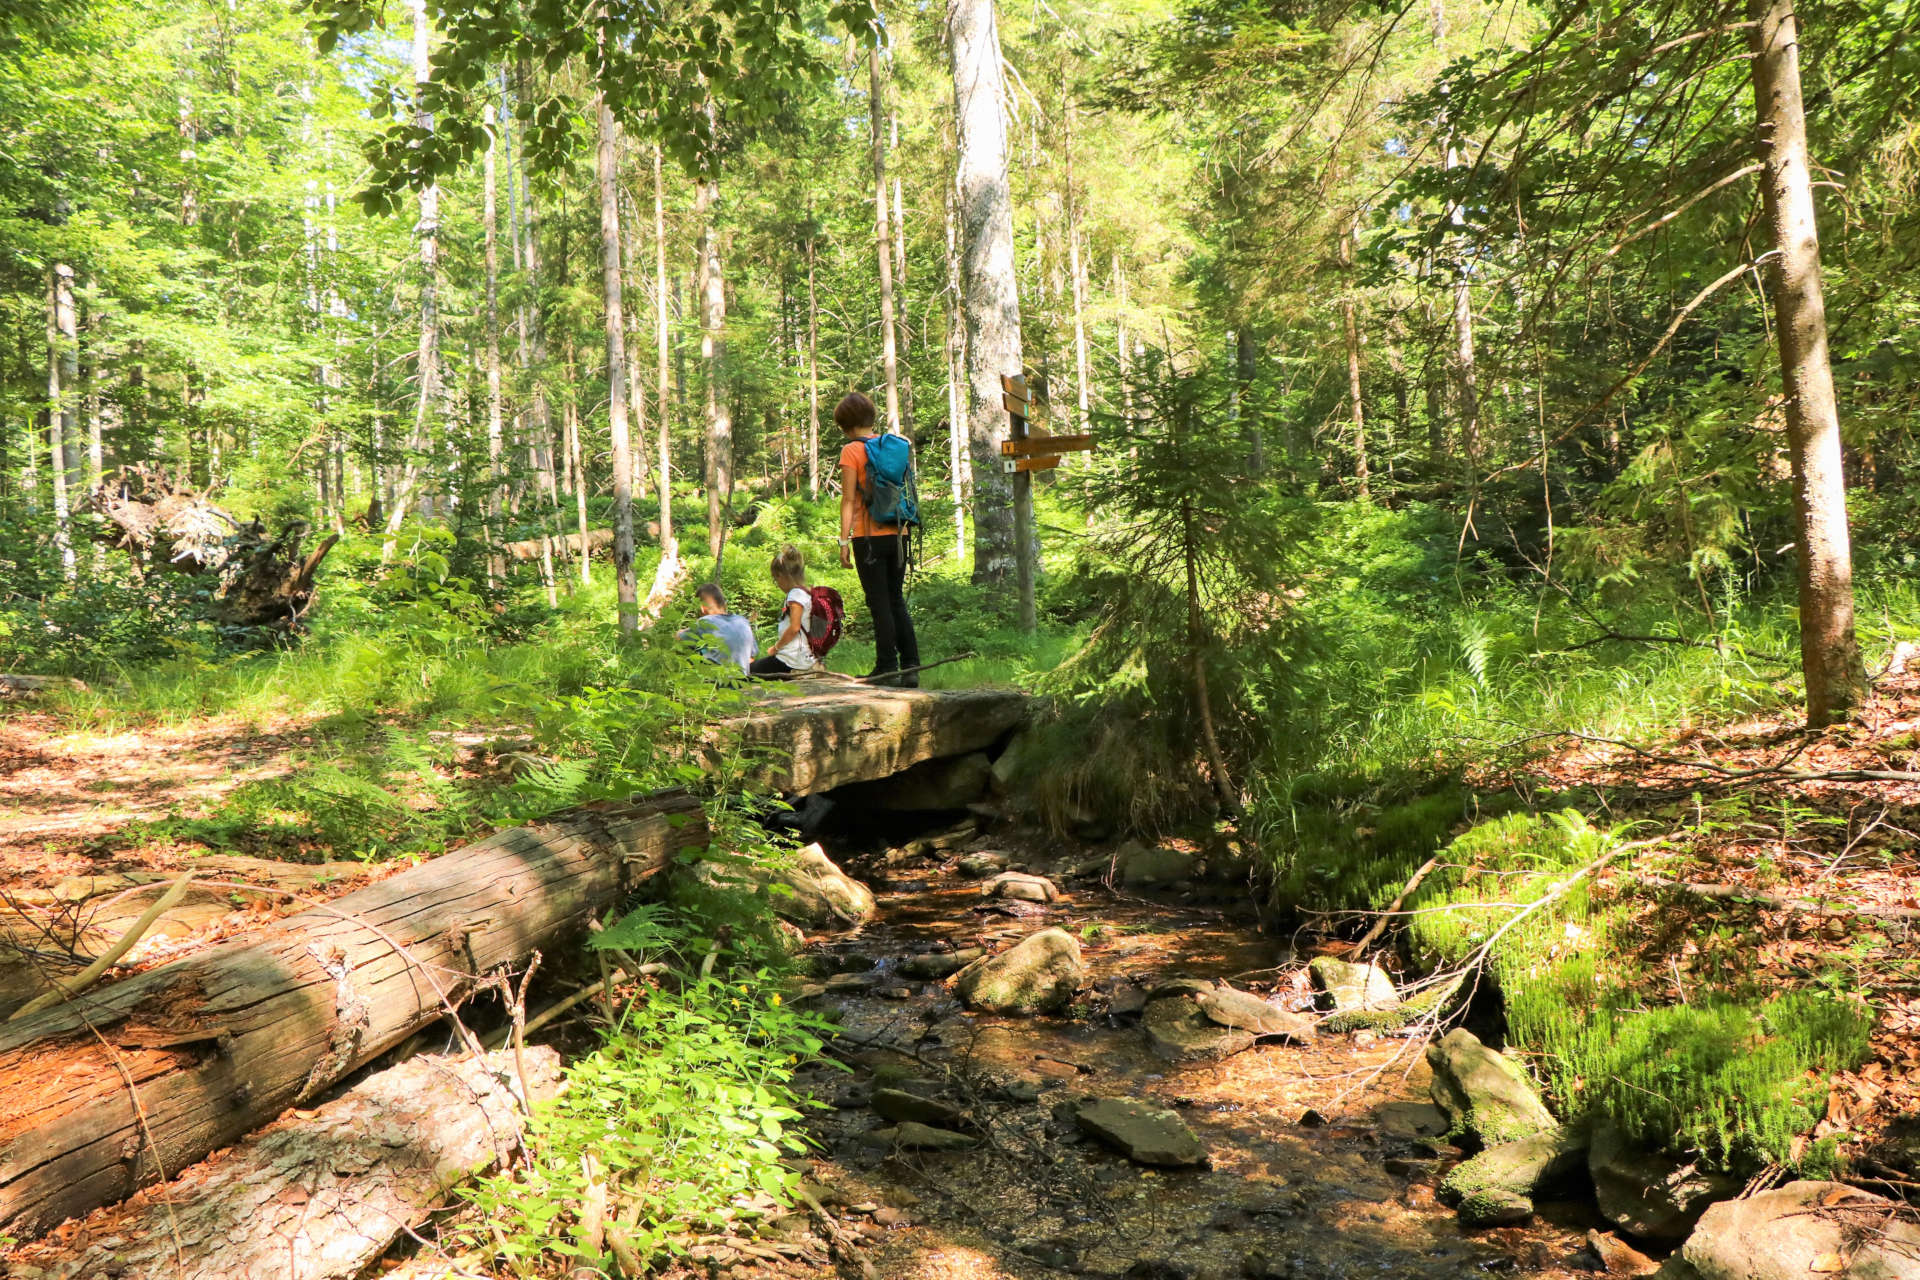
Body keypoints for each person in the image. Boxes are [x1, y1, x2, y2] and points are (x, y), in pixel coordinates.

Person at [835, 391, 921, 687]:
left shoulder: (851, 451)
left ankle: (886, 668)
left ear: (845, 426)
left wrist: (844, 541)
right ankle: (911, 667)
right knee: (896, 599)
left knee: (879, 602)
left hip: (868, 538)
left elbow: (848, 500)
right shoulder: (891, 446)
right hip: (899, 532)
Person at [750, 544, 817, 679]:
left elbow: (794, 627)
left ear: (781, 576)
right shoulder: (807, 593)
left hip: (790, 660)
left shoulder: (795, 595)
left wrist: (776, 648)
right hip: (804, 657)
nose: (777, 584)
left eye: (776, 579)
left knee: (747, 672)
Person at [680, 583, 756, 674]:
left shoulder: (705, 621)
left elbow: (677, 638)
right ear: (724, 604)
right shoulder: (743, 622)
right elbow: (750, 658)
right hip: (742, 681)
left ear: (702, 609)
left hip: (716, 683)